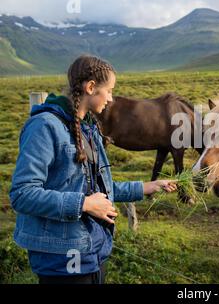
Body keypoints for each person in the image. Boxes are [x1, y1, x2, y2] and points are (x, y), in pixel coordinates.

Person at [9, 55, 177, 284]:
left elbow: (98, 190)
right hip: (62, 257)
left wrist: (149, 186)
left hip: (91, 248)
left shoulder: (87, 129)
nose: (111, 98)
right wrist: (85, 204)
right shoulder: (44, 127)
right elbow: (22, 194)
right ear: (90, 87)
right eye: (108, 90)